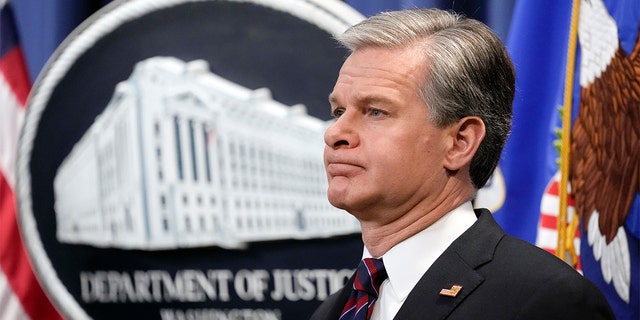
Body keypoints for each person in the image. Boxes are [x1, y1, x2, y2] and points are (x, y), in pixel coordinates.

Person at [310, 8, 614, 320]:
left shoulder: (546, 301)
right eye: (339, 111)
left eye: (375, 111)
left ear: (460, 142)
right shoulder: (332, 311)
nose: (335, 134)